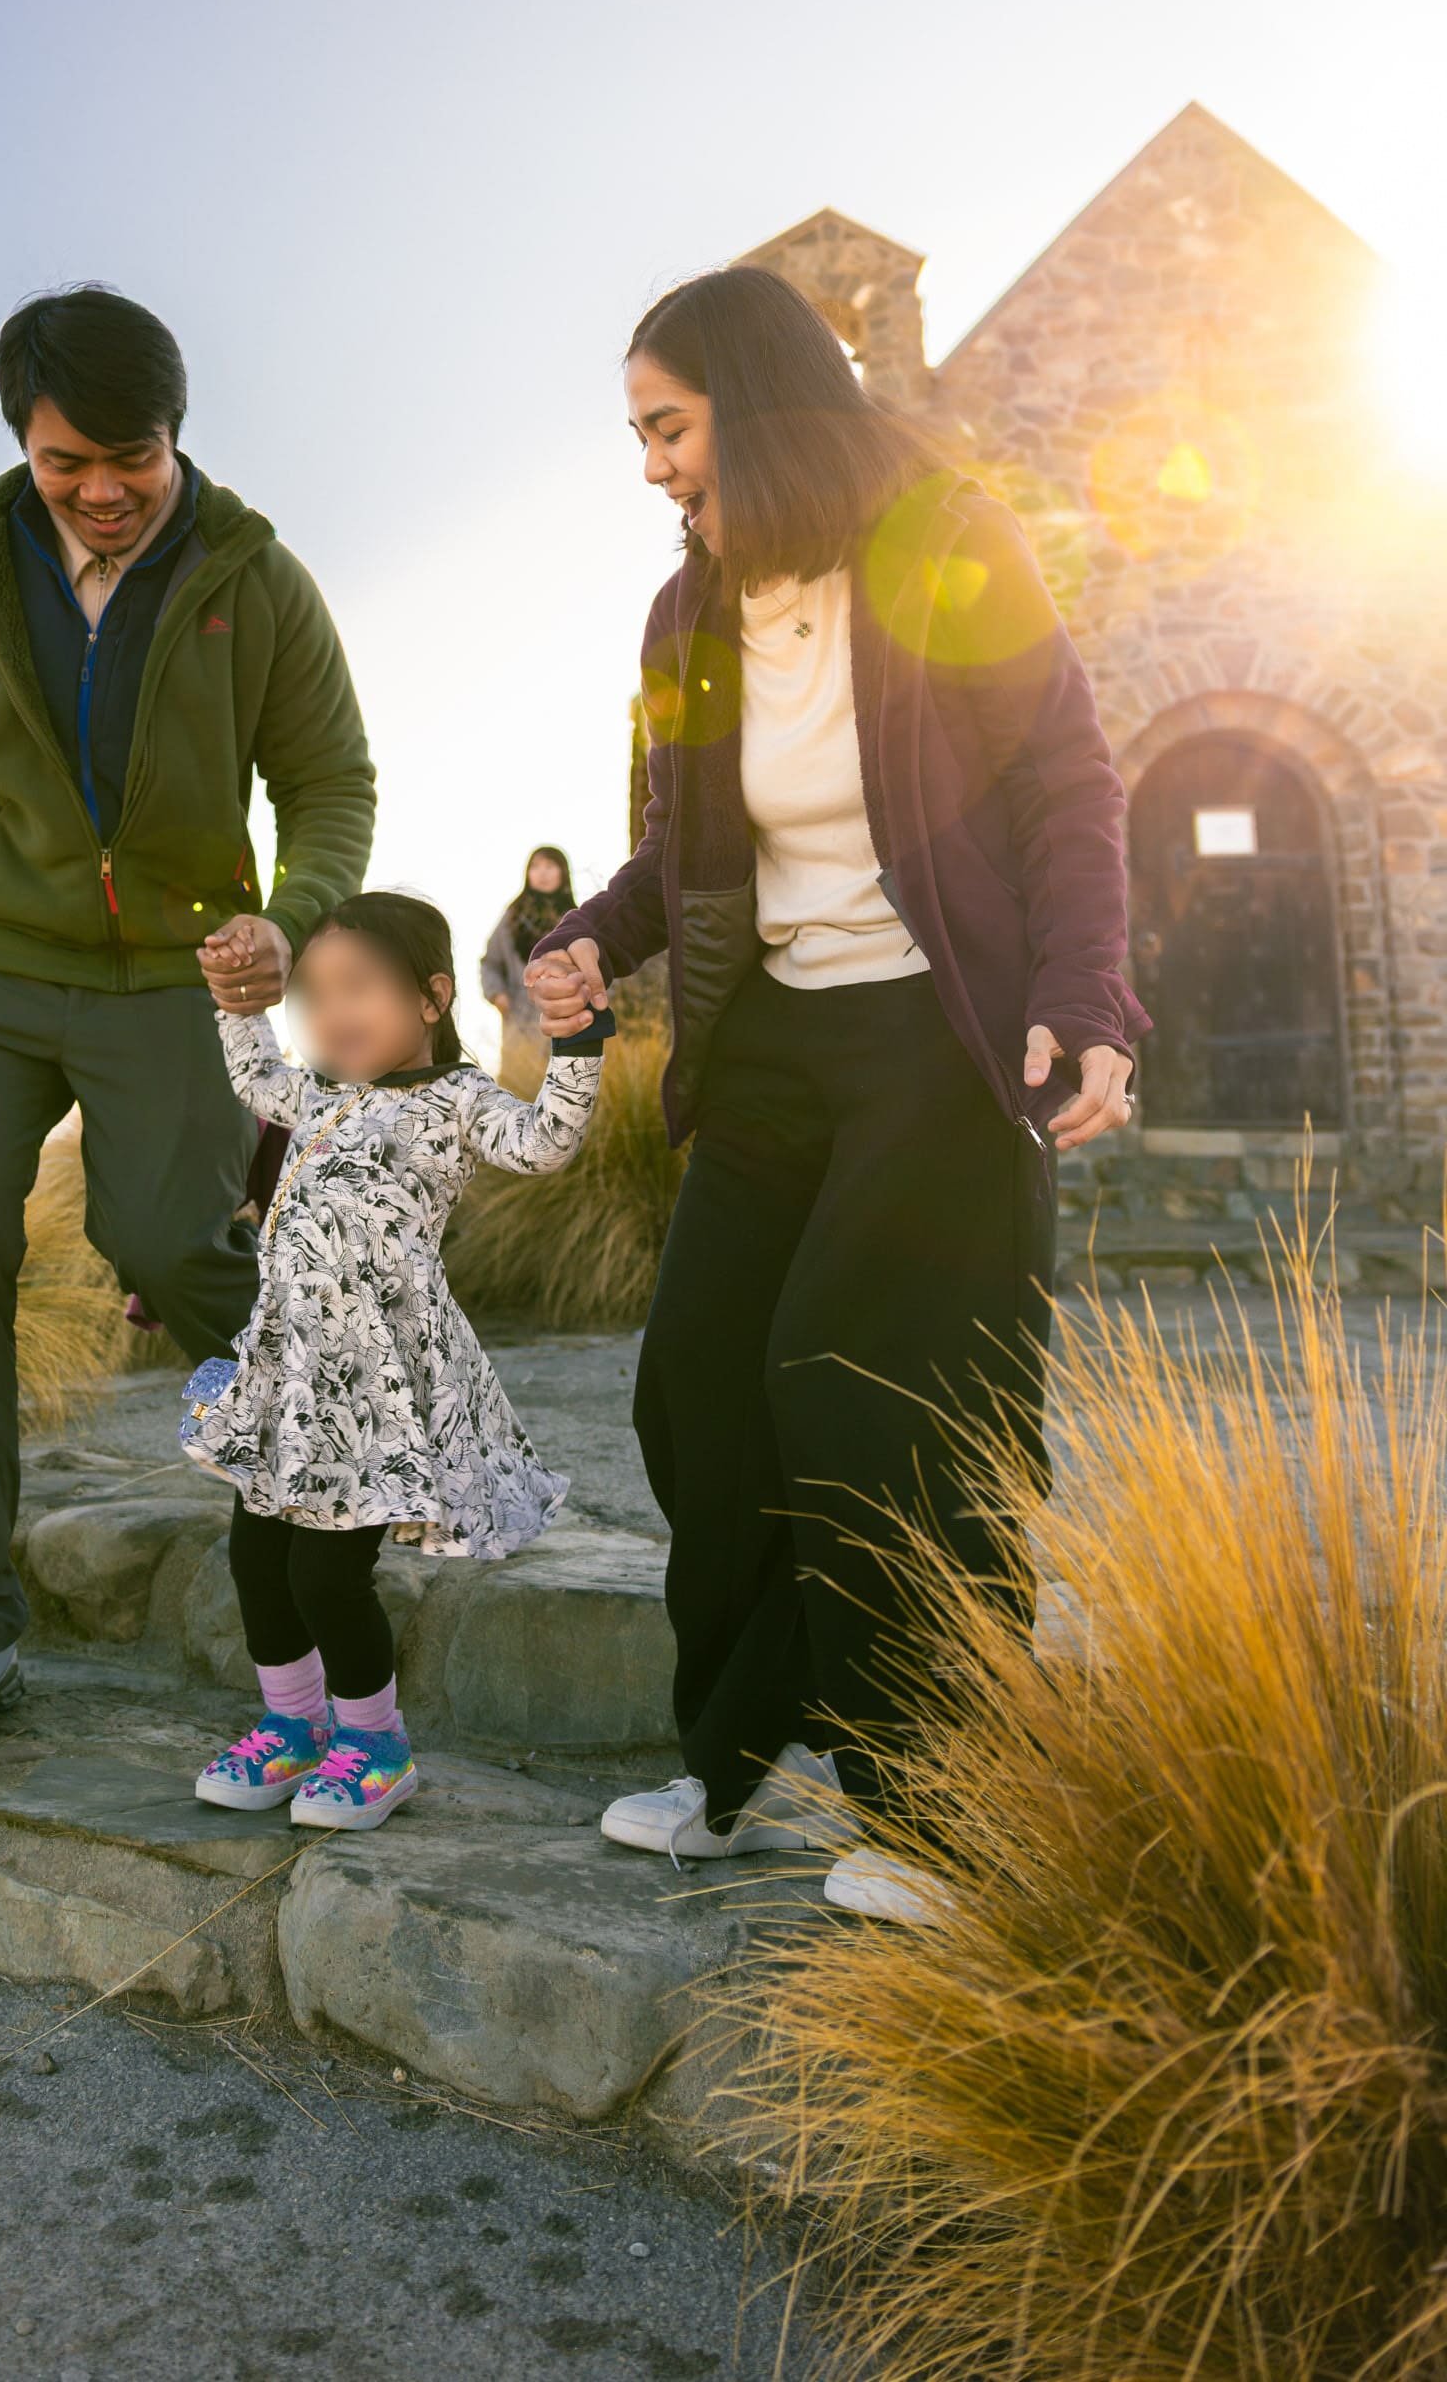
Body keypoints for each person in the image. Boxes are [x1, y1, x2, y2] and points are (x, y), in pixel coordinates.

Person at [528, 266, 1144, 1921]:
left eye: (667, 426)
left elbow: (1066, 780)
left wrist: (1088, 1003)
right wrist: (590, 937)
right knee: (702, 1391)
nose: (652, 466)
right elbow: (679, 849)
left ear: (760, 399)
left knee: (880, 1409)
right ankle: (738, 1756)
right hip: (775, 1053)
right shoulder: (687, 615)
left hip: (940, 1045)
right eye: (640, 437)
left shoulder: (947, 539)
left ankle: (941, 1812)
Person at [0, 283, 376, 1760]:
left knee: (173, 1240)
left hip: (174, 970)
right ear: (22, 450)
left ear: (175, 437)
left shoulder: (252, 572)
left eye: (135, 457)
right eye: (67, 464)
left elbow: (333, 783)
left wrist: (282, 920)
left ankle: (352, 1443)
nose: (104, 491)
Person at [180, 891, 609, 1829]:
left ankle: (374, 1747)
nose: (333, 1013)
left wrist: (577, 1041)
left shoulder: (455, 1100)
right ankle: (292, 1728)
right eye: (316, 995)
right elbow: (254, 1075)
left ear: (431, 998)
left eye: (359, 989)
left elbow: (543, 1144)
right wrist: (236, 1001)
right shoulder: (315, 1092)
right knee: (258, 1556)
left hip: (374, 1386)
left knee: (324, 1576)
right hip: (291, 1375)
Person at [479, 846, 575, 1091]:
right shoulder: (513, 917)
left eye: (549, 866)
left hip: (565, 1021)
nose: (542, 873)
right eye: (536, 867)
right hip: (519, 1021)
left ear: (563, 872)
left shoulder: (575, 919)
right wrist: (498, 995)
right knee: (518, 1093)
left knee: (563, 1092)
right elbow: (490, 962)